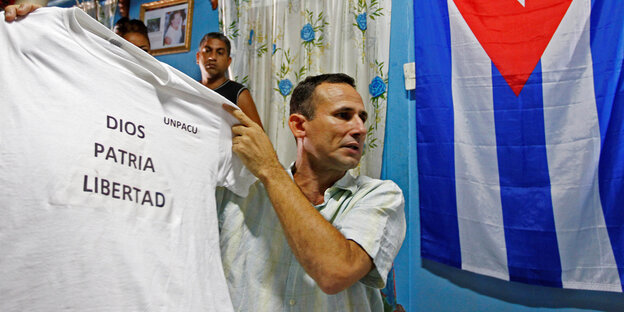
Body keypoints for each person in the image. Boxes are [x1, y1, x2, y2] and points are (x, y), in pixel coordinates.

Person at [219, 73, 406, 311]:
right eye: (343, 115)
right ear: (299, 126)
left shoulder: (380, 195)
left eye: (362, 117)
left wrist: (270, 169)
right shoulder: (239, 194)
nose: (360, 129)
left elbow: (336, 272)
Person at [196, 32, 263, 128]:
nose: (212, 57)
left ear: (228, 61)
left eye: (219, 53)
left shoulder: (238, 94)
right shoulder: (191, 89)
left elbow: (259, 137)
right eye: (207, 51)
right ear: (198, 57)